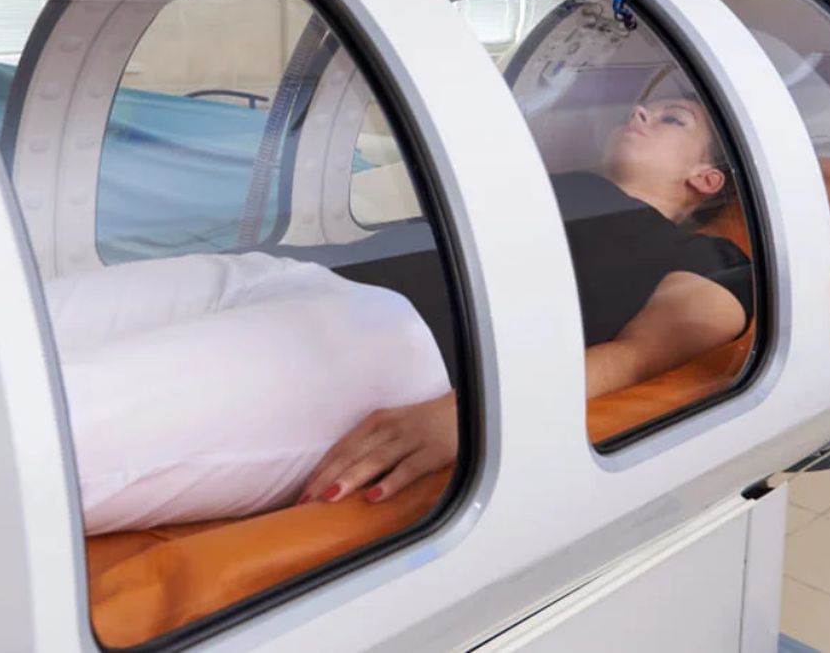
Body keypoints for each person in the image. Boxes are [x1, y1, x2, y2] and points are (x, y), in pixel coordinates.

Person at [297, 96, 752, 507]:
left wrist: (477, 412)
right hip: (309, 276)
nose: (638, 111)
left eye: (673, 119)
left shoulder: (707, 258)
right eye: (644, 107)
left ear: (706, 178)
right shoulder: (554, 188)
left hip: (378, 337)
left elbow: (636, 358)